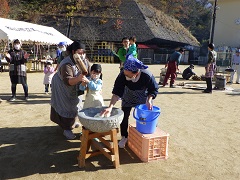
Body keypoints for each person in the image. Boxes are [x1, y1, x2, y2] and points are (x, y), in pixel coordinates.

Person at [101, 54, 159, 148]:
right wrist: (110, 107)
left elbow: (154, 89)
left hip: (143, 97)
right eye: (124, 73)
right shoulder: (122, 75)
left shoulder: (147, 75)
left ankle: (146, 136)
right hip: (128, 95)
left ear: (135, 73)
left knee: (145, 118)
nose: (125, 75)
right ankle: (124, 136)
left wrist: (149, 99)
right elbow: (117, 92)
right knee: (124, 116)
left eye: (128, 74)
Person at [50, 41, 91, 140]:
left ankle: (72, 122)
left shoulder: (85, 60)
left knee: (77, 104)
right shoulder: (66, 63)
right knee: (66, 106)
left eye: (83, 53)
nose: (82, 55)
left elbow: (89, 72)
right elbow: (68, 81)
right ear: (73, 52)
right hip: (62, 86)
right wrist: (79, 78)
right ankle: (66, 129)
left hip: (77, 85)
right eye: (79, 53)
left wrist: (87, 80)